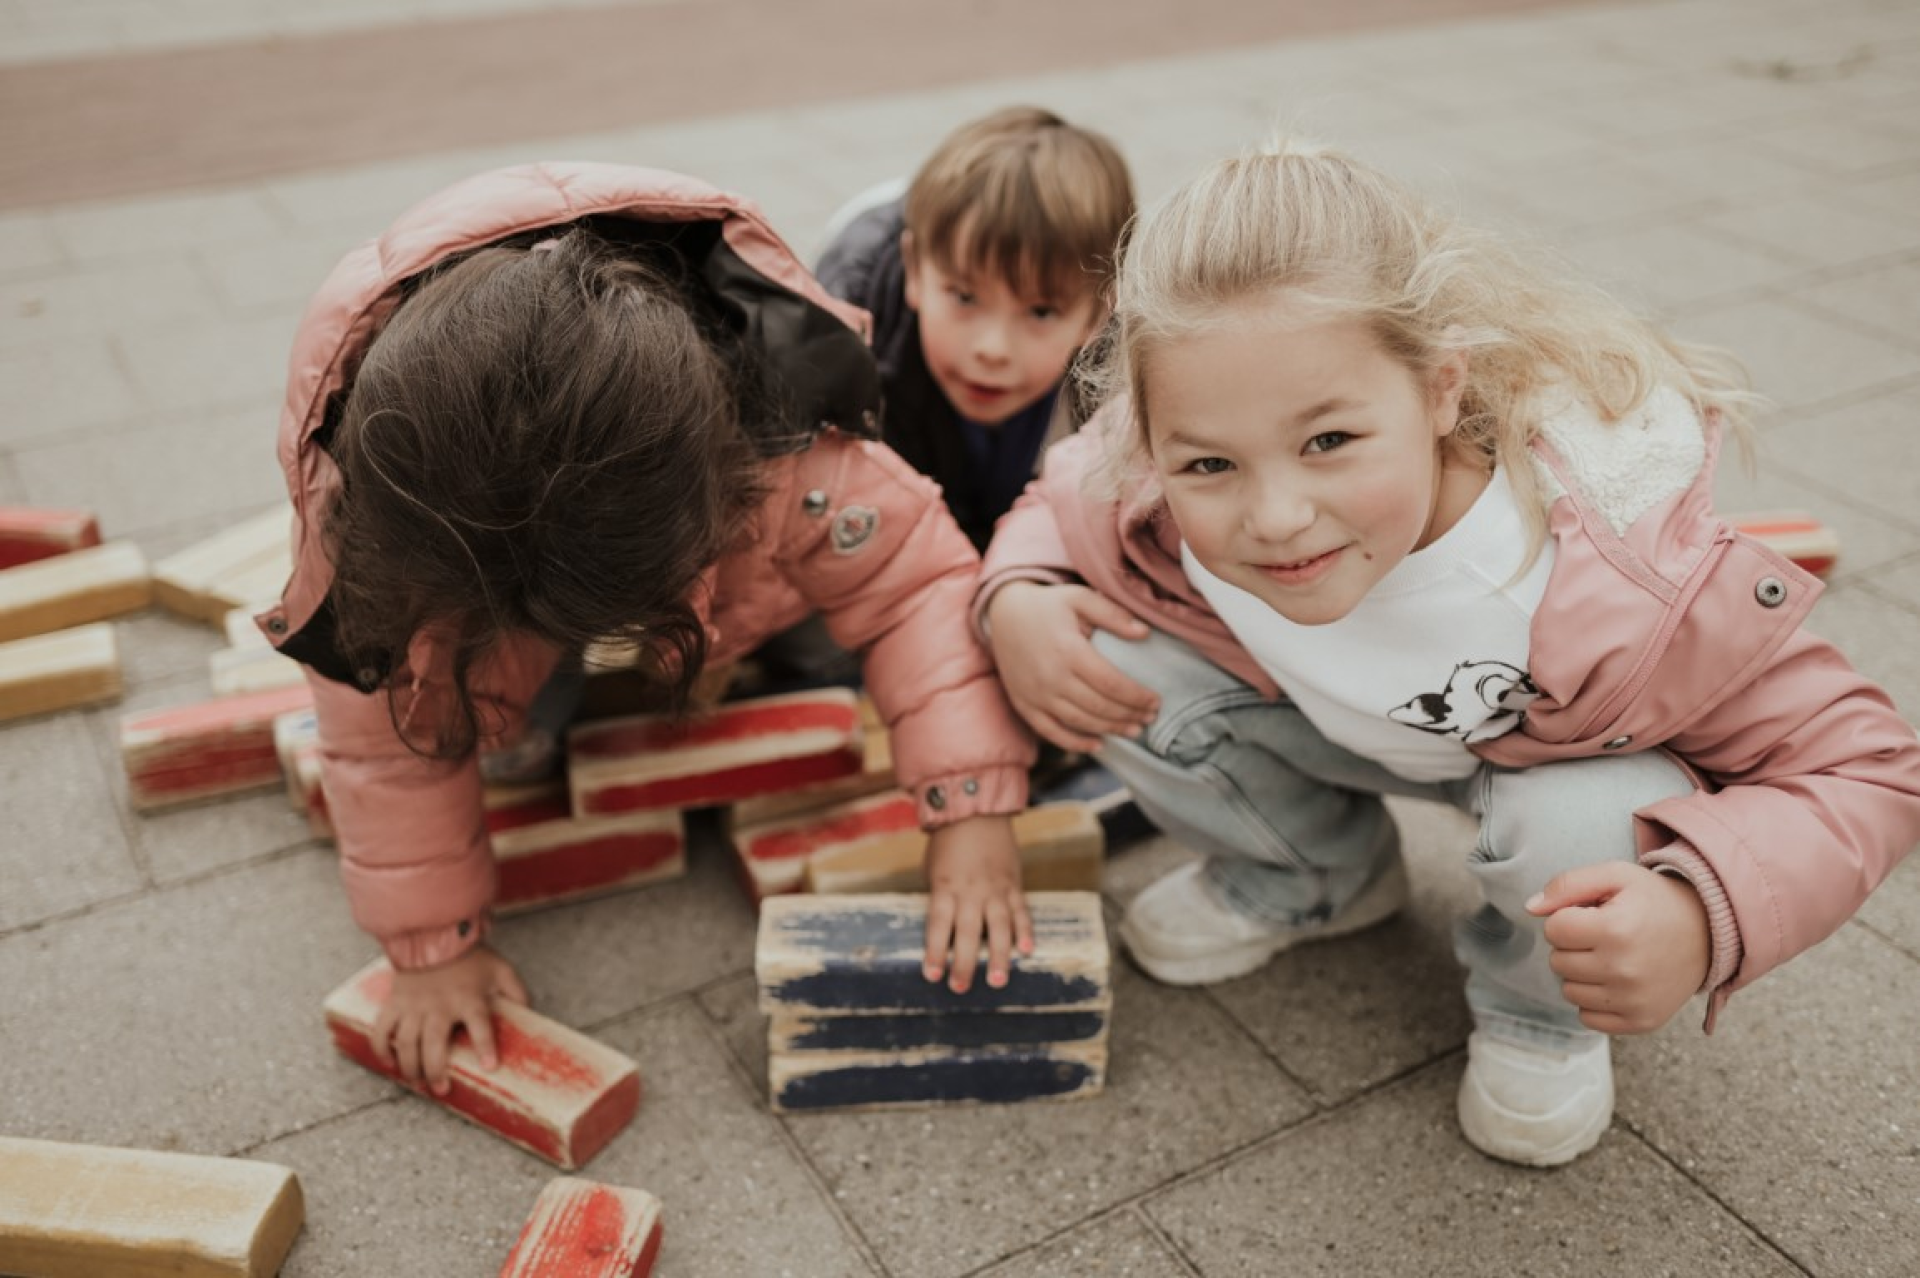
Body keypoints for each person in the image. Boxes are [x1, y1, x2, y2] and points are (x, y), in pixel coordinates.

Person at [975, 139, 1920, 1167]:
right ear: (1152, 443)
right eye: (1208, 463)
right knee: (1115, 665)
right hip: (1329, 729)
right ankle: (1314, 879)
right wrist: (1019, 593)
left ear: (1438, 389)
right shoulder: (1163, 452)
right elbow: (1061, 495)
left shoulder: (1608, 569)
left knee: (1579, 817)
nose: (1278, 516)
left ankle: (1539, 1012)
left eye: (1330, 441)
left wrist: (1703, 909)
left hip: (1551, 768)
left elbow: (1871, 768)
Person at [260, 162, 1037, 1095]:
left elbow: (916, 589)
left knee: (831, 647)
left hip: (750, 566)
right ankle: (524, 685)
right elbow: (381, 734)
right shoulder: (384, 525)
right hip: (494, 585)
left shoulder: (788, 448)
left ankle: (725, 642)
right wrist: (430, 948)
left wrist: (972, 807)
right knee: (451, 700)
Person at [814, 105, 1134, 552]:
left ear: (1099, 313)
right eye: (965, 298)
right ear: (916, 274)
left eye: (1040, 312)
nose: (992, 349)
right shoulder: (840, 356)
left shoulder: (1133, 383)